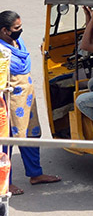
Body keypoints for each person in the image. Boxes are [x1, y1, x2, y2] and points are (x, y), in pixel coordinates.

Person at [0, 10, 62, 193]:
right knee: (7, 142)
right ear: (5, 30)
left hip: (27, 100)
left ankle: (35, 174)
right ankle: (6, 182)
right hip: (9, 101)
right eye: (16, 28)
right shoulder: (2, 52)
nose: (20, 30)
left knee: (30, 136)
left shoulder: (18, 42)